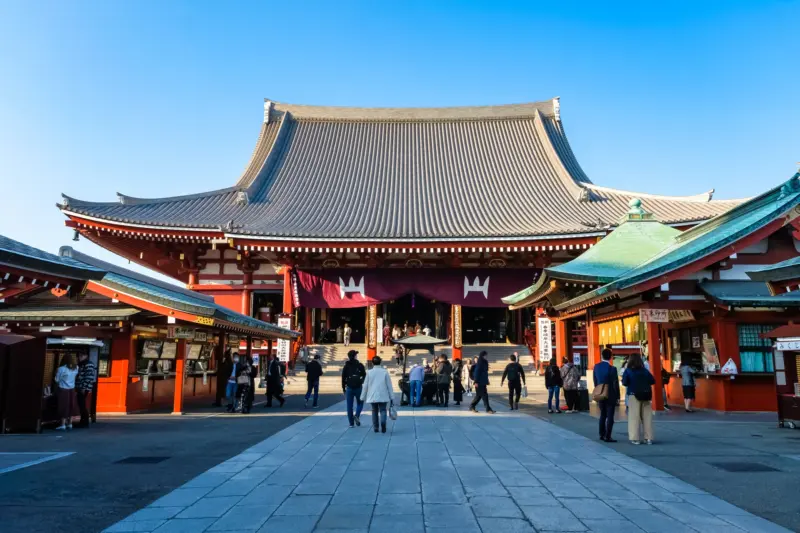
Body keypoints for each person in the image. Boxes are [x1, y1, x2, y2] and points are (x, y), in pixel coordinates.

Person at [622, 353, 656, 445]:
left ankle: (635, 438)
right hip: (646, 395)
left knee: (634, 417)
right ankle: (648, 438)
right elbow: (653, 381)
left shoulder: (628, 371)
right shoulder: (645, 371)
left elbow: (624, 383)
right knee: (647, 417)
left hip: (633, 395)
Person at [360, 356, 395, 433]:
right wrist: (392, 396)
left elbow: (365, 385)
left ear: (372, 363)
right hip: (383, 394)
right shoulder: (384, 372)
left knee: (374, 411)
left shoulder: (369, 372)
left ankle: (376, 427)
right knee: (383, 410)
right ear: (380, 362)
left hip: (373, 395)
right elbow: (389, 385)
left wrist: (362, 397)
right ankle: (383, 424)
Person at [593, 348, 620, 442]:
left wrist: (597, 390)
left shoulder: (596, 367)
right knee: (610, 416)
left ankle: (601, 434)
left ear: (602, 356)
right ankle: (608, 436)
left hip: (600, 392)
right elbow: (615, 383)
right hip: (610, 394)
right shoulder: (612, 369)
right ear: (611, 357)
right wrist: (618, 396)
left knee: (602, 414)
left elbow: (595, 381)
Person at [342, 349, 366, 427]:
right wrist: (361, 381)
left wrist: (343, 388)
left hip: (349, 387)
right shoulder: (360, 365)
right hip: (358, 387)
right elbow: (364, 374)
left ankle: (351, 423)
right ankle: (357, 415)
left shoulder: (346, 366)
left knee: (349, 406)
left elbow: (343, 377)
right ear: (355, 356)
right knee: (360, 402)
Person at [55, 355, 79, 431]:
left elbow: (57, 380)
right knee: (71, 405)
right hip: (72, 389)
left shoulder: (61, 369)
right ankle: (70, 423)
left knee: (63, 406)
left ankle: (63, 424)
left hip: (63, 389)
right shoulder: (76, 367)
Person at [75, 352, 96, 428]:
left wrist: (84, 387)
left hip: (84, 387)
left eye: (82, 355)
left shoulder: (88, 364)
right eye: (79, 355)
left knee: (82, 404)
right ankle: (83, 420)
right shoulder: (81, 364)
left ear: (86, 356)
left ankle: (85, 421)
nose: (80, 357)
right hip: (80, 386)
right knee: (81, 404)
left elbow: (89, 377)